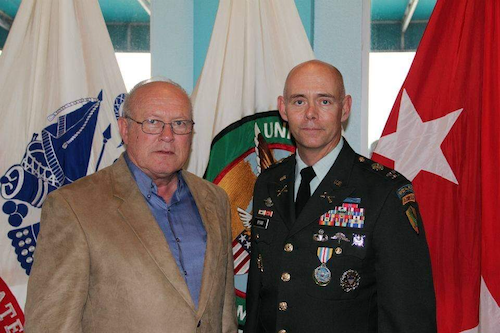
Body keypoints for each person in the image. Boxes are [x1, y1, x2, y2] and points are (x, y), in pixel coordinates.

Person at [24, 79, 237, 333]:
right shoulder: (73, 207)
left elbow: (224, 317)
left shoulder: (214, 200)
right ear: (124, 129)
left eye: (179, 124)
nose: (167, 136)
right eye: (152, 122)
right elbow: (51, 326)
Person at [244, 60, 436, 333]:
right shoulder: (268, 182)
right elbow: (258, 298)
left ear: (344, 108)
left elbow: (408, 316)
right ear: (283, 108)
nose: (310, 114)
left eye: (324, 102)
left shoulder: (383, 192)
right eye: (299, 102)